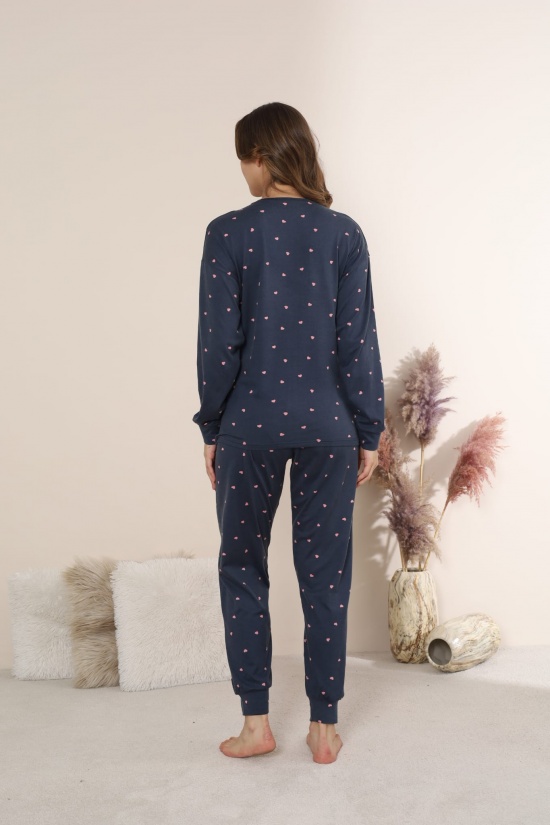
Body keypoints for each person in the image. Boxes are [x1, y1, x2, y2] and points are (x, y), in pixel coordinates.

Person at [192, 102, 385, 764]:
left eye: (243, 159)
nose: (242, 173)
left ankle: (257, 724)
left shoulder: (227, 233)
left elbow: (219, 343)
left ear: (262, 157)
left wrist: (211, 424)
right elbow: (358, 343)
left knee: (242, 566)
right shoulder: (344, 234)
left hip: (249, 425)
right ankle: (324, 727)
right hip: (330, 427)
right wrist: (368, 429)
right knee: (326, 574)